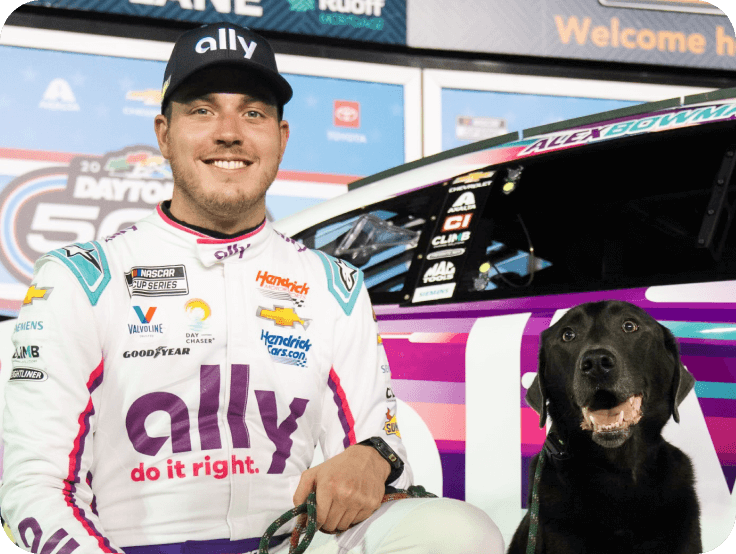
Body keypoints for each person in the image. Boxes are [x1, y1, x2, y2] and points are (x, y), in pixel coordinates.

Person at [0, 22, 504, 554]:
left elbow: (375, 438)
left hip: (288, 542)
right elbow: (35, 486)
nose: (229, 132)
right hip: (130, 545)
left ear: (280, 139)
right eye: (201, 110)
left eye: (253, 112)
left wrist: (375, 455)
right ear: (163, 133)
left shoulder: (334, 285)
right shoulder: (82, 279)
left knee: (461, 533)